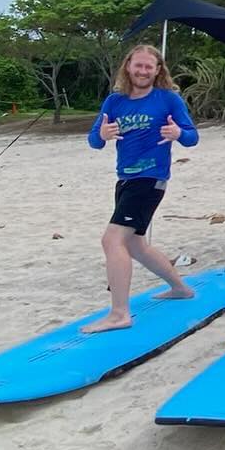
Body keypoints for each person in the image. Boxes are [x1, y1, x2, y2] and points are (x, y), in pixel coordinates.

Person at [82, 44, 199, 334]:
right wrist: (102, 134)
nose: (143, 71)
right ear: (128, 66)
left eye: (150, 66)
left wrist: (177, 133)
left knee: (112, 240)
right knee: (135, 245)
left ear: (158, 70)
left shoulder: (168, 99)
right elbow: (94, 141)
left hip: (151, 179)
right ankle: (180, 288)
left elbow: (192, 137)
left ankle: (119, 313)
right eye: (139, 65)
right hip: (125, 180)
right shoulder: (115, 101)